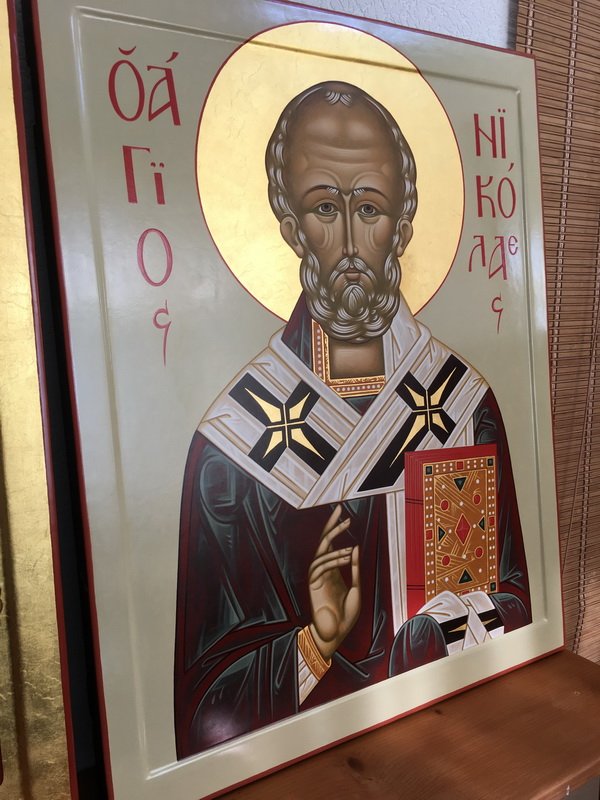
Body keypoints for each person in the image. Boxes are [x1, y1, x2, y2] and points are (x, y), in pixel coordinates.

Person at [174, 82, 530, 759]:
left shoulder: (462, 407)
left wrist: (436, 635)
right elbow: (203, 716)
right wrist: (314, 643)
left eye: (369, 208)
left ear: (403, 223)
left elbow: (513, 602)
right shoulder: (232, 449)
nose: (347, 242)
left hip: (457, 744)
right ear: (289, 226)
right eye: (322, 208)